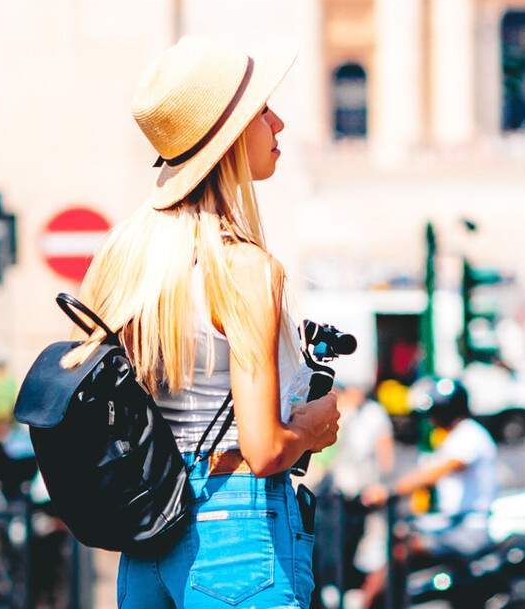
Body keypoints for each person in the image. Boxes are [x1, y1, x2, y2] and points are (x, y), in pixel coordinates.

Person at [74, 36, 341, 609]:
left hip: (148, 537)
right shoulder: (243, 266)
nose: (280, 123)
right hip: (237, 531)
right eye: (263, 110)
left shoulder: (125, 259)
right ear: (232, 137)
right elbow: (264, 447)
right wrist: (314, 428)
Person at [358, 379, 499, 604]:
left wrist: (390, 491)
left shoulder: (469, 436)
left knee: (400, 548)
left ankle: (369, 604)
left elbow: (433, 473)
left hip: (468, 528)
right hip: (454, 523)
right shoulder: (457, 436)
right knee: (404, 535)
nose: (431, 419)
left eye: (434, 412)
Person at [322, 379, 396, 590]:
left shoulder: (374, 414)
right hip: (338, 494)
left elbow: (385, 455)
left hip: (368, 494)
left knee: (372, 550)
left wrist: (383, 486)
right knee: (336, 547)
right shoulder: (340, 411)